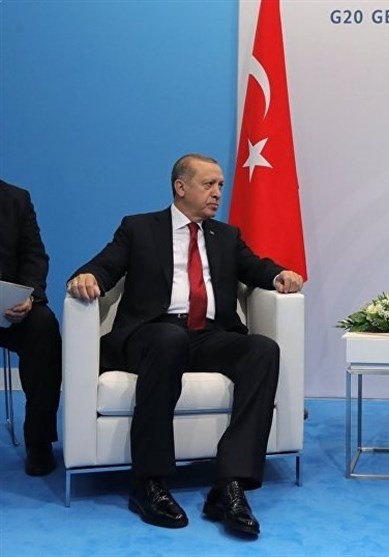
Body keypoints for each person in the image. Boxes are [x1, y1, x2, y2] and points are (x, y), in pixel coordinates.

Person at [67, 154, 303, 537]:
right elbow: (105, 265)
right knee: (169, 339)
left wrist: (279, 275)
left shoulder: (226, 236)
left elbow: (255, 267)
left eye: (221, 185)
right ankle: (149, 481)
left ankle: (230, 485)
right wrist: (87, 277)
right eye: (209, 184)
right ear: (181, 187)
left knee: (262, 350)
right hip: (151, 333)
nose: (217, 193)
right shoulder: (139, 228)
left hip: (207, 335)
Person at [0, 180, 62, 477]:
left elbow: (34, 256)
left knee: (43, 324)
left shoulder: (17, 199)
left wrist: (30, 296)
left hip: (7, 309)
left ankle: (39, 443)